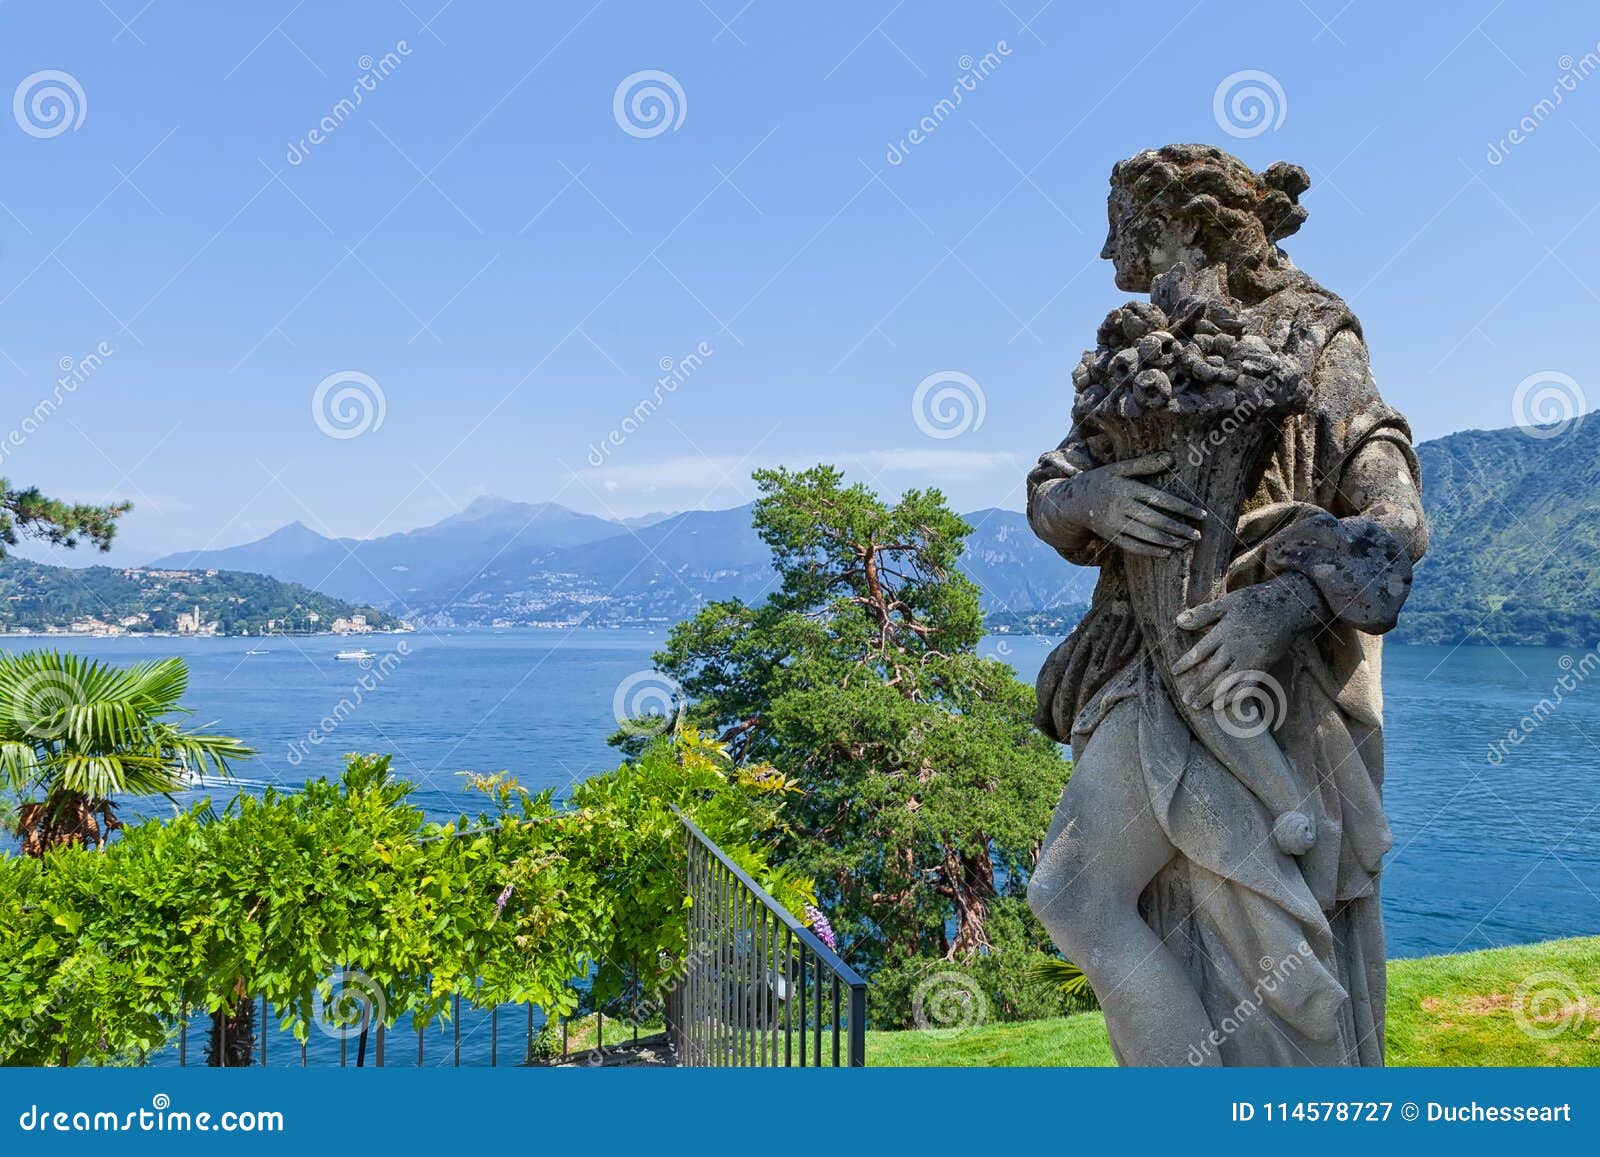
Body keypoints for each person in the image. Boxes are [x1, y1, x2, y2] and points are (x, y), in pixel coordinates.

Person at [1025, 144, 1428, 1066]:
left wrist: (1284, 605)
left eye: (1135, 238)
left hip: (1269, 684)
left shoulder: (1315, 336)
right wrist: (1083, 502)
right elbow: (1056, 480)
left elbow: (1397, 519)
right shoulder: (1141, 347)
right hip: (1144, 664)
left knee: (1270, 960)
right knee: (1076, 893)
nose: (1114, 262)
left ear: (1188, 226)